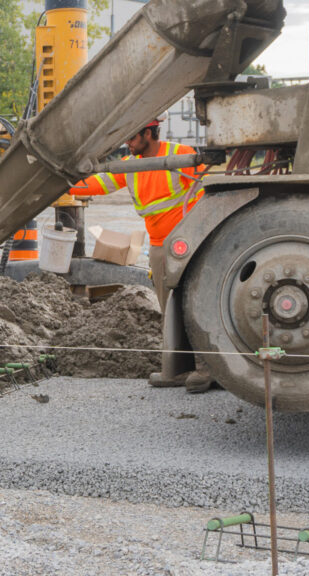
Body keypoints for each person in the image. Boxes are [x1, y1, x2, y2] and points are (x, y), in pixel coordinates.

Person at [70, 117, 209, 392]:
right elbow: (97, 184)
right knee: (168, 308)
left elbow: (211, 187)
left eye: (132, 137)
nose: (127, 142)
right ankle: (176, 370)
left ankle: (207, 370)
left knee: (197, 303)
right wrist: (61, 186)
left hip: (188, 241)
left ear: (149, 133)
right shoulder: (131, 166)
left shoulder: (180, 156)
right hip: (159, 246)